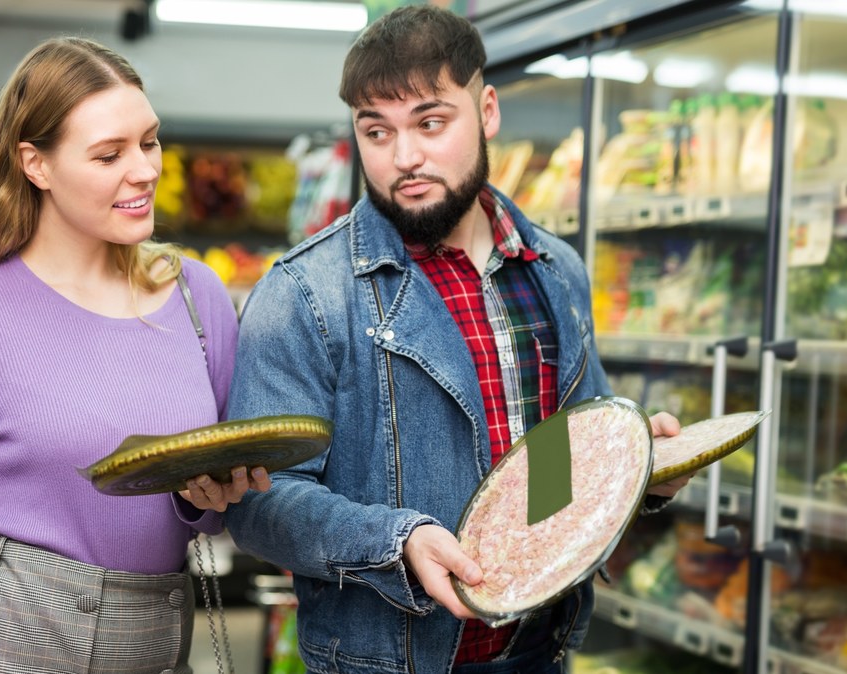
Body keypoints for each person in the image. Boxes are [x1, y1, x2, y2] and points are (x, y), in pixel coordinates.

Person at [223, 7, 691, 674]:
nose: (404, 157)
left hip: (541, 651)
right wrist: (397, 541)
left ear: (488, 111)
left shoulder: (554, 271)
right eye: (376, 131)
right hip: (386, 660)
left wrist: (639, 467)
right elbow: (258, 501)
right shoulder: (304, 293)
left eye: (430, 122)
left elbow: (557, 463)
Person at [0, 37, 269, 674]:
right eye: (108, 154)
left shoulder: (198, 300)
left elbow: (212, 510)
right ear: (36, 164)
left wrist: (204, 497)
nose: (144, 170)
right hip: (5, 638)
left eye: (149, 142)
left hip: (151, 639)